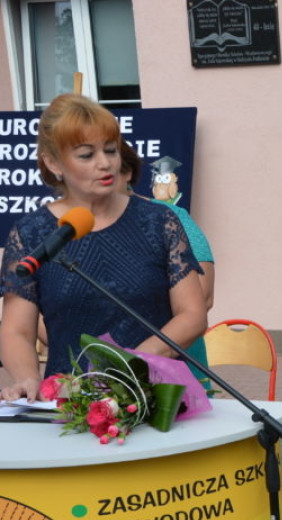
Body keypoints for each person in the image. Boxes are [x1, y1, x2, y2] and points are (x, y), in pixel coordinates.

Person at [0, 93, 206, 401]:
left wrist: (129, 365)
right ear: (53, 162)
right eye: (86, 155)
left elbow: (192, 314)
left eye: (110, 150)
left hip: (153, 394)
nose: (105, 163)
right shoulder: (32, 233)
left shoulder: (158, 221)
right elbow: (17, 330)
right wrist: (27, 378)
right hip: (71, 403)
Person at [120, 140, 215, 387]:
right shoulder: (66, 227)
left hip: (175, 380)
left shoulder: (170, 217)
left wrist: (136, 358)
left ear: (126, 171)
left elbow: (202, 297)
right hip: (92, 378)